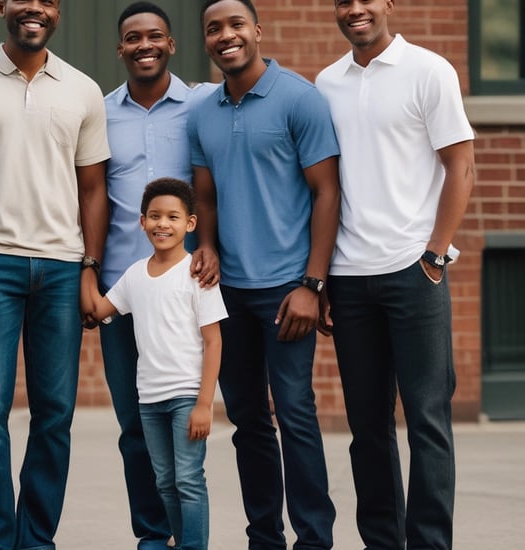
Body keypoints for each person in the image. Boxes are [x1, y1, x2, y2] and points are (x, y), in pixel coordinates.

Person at [0, 0, 111, 548]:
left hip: (61, 267)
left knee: (55, 413)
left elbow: (93, 188)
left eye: (46, 1)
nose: (33, 8)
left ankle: (36, 539)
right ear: (3, 8)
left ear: (56, 12)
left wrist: (89, 268)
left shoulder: (82, 89)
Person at [315, 2, 476, 548]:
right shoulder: (327, 82)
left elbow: (462, 165)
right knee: (368, 430)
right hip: (350, 278)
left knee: (428, 423)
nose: (355, 9)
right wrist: (327, 278)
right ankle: (382, 541)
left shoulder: (429, 71)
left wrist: (434, 255)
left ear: (386, 4)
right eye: (343, 1)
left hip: (414, 272)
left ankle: (430, 543)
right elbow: (327, 184)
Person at [188, 0, 341, 548]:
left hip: (286, 290)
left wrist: (311, 285)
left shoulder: (300, 99)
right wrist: (205, 245)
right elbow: (203, 196)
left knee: (295, 413)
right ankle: (263, 538)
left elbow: (327, 193)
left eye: (235, 25)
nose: (225, 36)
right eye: (213, 29)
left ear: (257, 30)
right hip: (227, 290)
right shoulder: (202, 111)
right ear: (206, 40)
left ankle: (314, 539)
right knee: (249, 420)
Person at [101, 2, 217, 547]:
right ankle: (153, 535)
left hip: (184, 288)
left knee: (185, 432)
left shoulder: (200, 104)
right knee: (134, 428)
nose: (144, 45)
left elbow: (217, 179)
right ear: (120, 48)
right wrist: (87, 270)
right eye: (132, 38)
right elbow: (89, 196)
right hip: (123, 288)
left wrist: (211, 245)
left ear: (171, 44)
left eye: (155, 37)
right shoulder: (100, 113)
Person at [90, 177, 227, 550]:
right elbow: (100, 309)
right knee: (165, 481)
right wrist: (85, 267)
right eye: (154, 216)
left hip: (186, 397)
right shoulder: (134, 274)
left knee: (188, 480)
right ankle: (180, 541)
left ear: (190, 224)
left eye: (172, 216)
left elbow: (213, 342)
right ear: (141, 222)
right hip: (149, 400)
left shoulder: (197, 274)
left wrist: (204, 404)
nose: (162, 224)